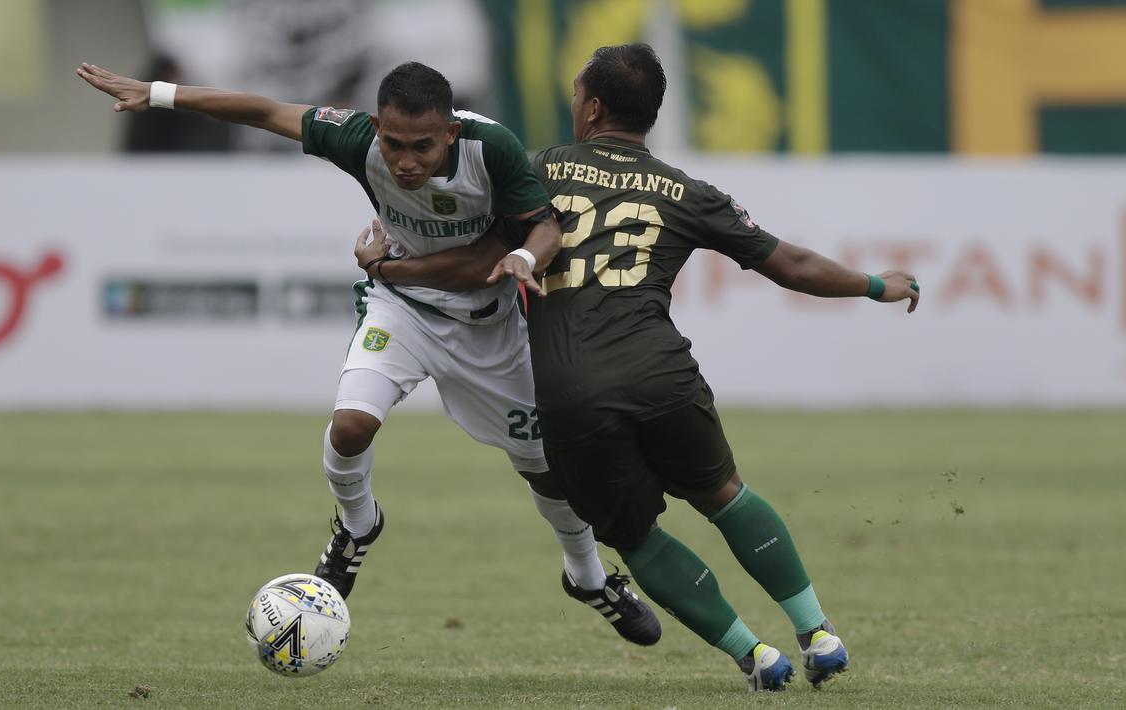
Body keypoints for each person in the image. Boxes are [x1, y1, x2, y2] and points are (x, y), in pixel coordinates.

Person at [356, 44, 920, 691]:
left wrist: (388, 268)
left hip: (571, 390)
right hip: (660, 372)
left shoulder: (541, 172)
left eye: (576, 93)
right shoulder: (686, 191)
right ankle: (817, 631)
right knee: (724, 494)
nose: (573, 102)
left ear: (593, 108)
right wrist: (875, 285)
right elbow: (790, 265)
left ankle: (755, 656)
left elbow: (476, 261)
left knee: (633, 534)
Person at [75, 60, 661, 645]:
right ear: (377, 127)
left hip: (487, 326)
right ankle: (358, 528)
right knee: (350, 427)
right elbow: (264, 110)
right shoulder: (357, 139)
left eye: (423, 147)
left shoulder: (492, 148)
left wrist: (521, 259)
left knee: (545, 468)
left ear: (451, 132)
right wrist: (158, 93)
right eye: (394, 143)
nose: (405, 162)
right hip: (401, 311)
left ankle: (586, 577)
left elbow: (535, 234)